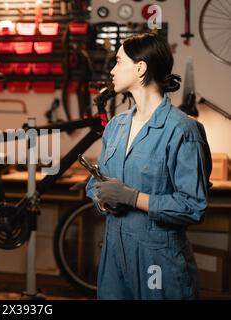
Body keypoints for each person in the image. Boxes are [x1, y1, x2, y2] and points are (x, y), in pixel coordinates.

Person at [85, 33, 212, 300]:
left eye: (118, 62)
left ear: (140, 68)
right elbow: (95, 182)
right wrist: (102, 199)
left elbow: (193, 206)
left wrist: (132, 198)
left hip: (159, 259)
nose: (112, 70)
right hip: (114, 255)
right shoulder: (117, 126)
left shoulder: (182, 130)